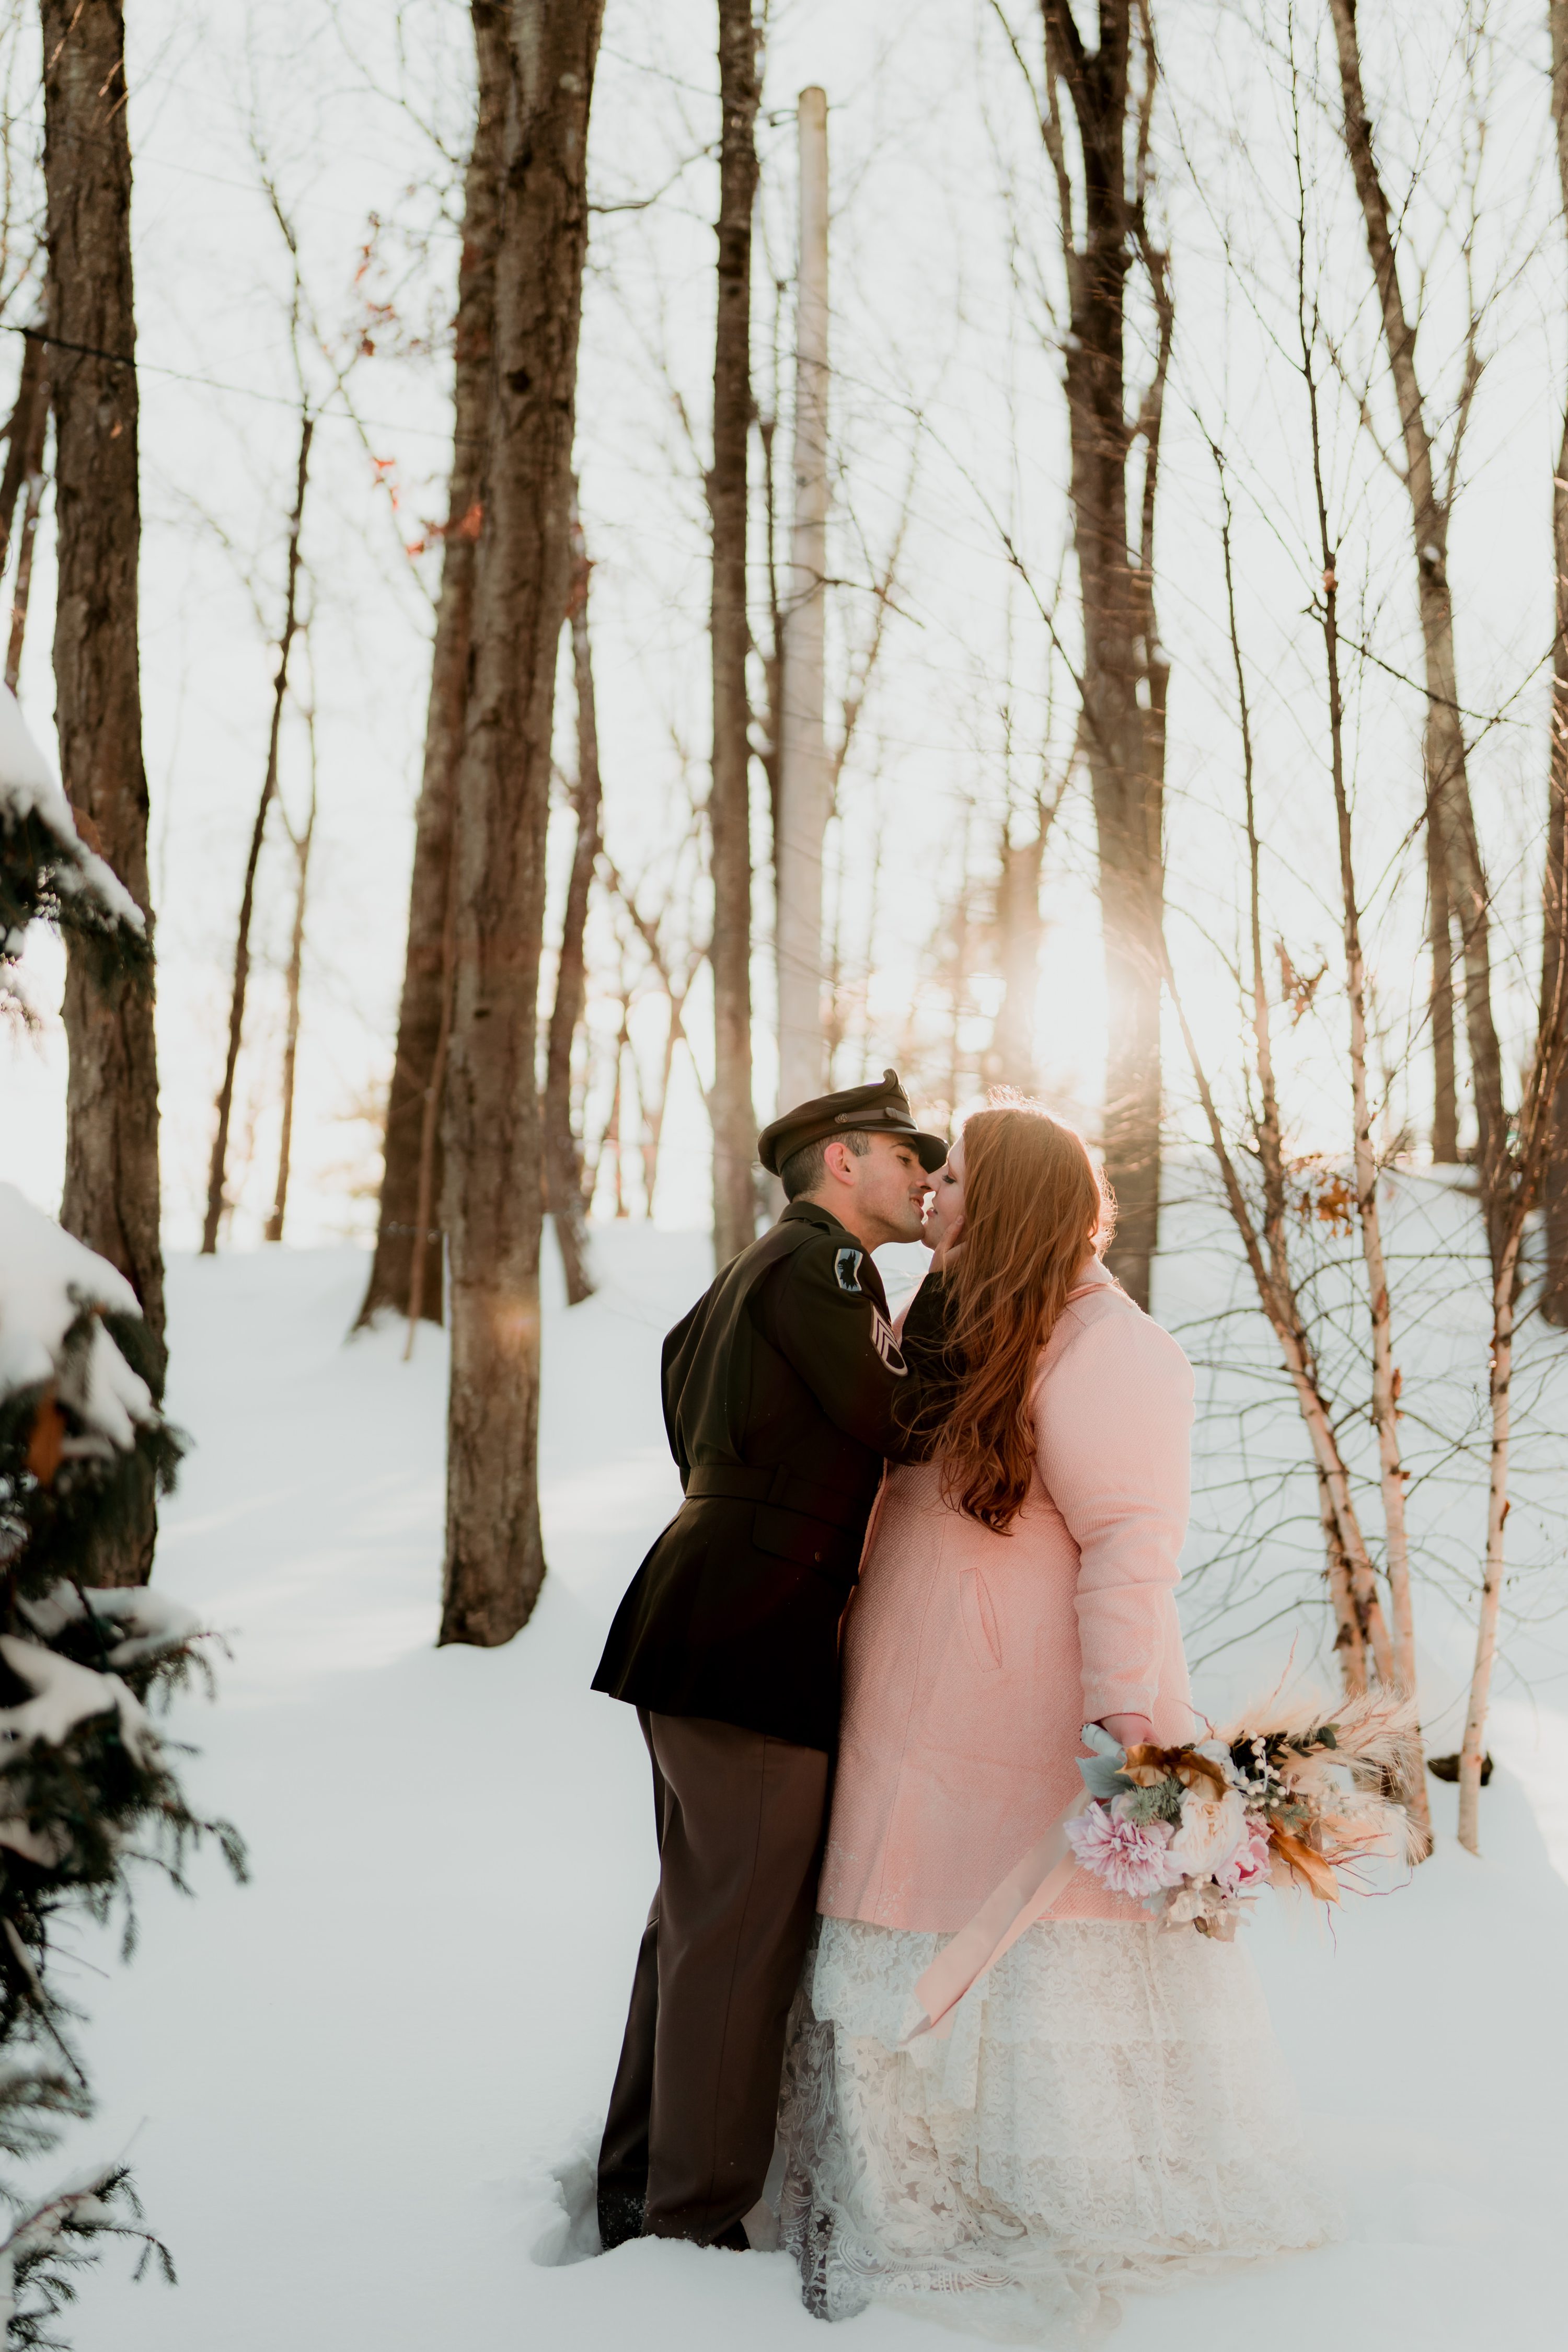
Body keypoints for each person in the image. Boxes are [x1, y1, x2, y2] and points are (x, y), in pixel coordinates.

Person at [778, 1101, 1334, 2335]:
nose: (934, 1190)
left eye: (960, 1175)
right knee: (885, 1928)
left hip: (1020, 1715)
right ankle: (902, 2194)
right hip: (896, 1705)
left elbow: (1131, 1550)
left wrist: (1129, 1730)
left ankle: (1029, 2202)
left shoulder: (1111, 1345)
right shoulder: (946, 1314)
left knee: (1005, 1947)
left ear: (1017, 1196)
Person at [591, 1070, 948, 2255]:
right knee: (737, 1935)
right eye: (907, 1156)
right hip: (756, 1628)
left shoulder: (750, 1270)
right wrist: (966, 1335)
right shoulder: (825, 1267)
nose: (924, 1178)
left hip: (701, 1610)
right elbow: (900, 1422)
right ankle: (690, 2224)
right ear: (843, 1159)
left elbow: (685, 1389)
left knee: (696, 1924)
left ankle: (644, 2186)